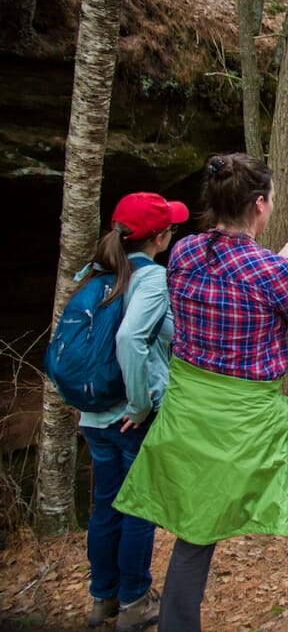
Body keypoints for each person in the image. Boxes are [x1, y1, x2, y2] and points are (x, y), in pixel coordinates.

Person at [114, 153, 288, 631]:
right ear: (259, 204)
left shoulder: (185, 251)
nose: (272, 204)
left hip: (191, 413)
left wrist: (273, 260)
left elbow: (227, 282)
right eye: (271, 198)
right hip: (248, 417)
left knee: (198, 525)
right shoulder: (271, 275)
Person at [81, 192, 189, 631]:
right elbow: (130, 341)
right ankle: (135, 602)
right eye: (171, 228)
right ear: (159, 237)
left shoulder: (93, 273)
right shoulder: (151, 280)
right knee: (139, 507)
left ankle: (102, 600)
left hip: (95, 415)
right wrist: (142, 405)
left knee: (105, 506)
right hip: (131, 417)